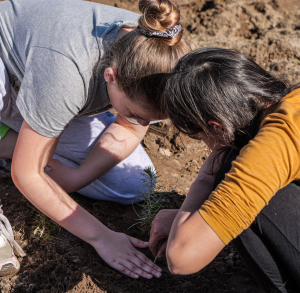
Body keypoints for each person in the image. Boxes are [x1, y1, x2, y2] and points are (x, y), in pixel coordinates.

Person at [0, 0, 190, 278]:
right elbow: (27, 174)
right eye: (137, 114)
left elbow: (131, 126)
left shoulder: (162, 57)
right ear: (110, 76)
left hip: (41, 86)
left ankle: (21, 141)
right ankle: (14, 144)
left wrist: (78, 176)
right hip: (10, 70)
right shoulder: (67, 71)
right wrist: (102, 237)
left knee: (134, 182)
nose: (145, 125)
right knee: (29, 168)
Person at [149, 48, 300, 293]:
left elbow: (181, 257)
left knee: (233, 177)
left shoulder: (278, 139)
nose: (209, 147)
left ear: (216, 126)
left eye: (201, 138)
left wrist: (205, 180)